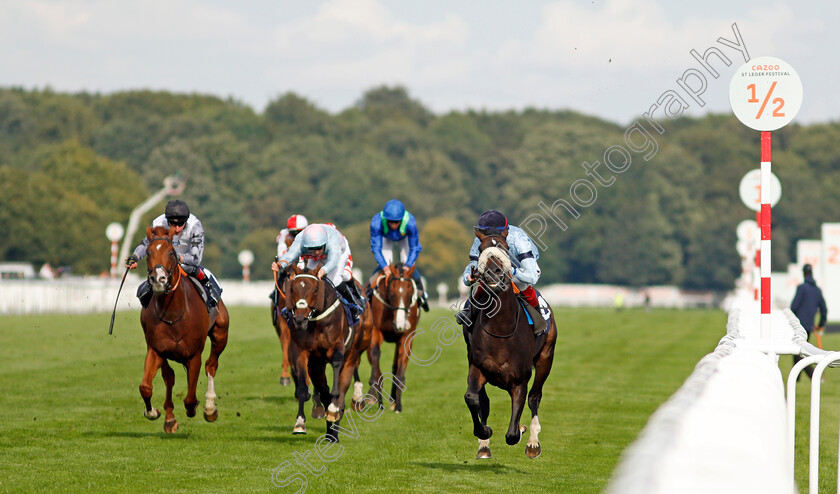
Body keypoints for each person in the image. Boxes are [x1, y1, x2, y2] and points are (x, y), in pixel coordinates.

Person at [456, 209, 548, 335]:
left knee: (521, 284)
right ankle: (469, 311)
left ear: (505, 233)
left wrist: (511, 271)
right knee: (483, 284)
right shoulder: (480, 239)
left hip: (518, 268)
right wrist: (469, 276)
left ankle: (538, 319)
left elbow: (532, 276)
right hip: (491, 270)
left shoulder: (518, 238)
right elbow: (473, 263)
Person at [126, 199, 221, 308]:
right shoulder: (158, 223)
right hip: (164, 265)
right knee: (142, 292)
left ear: (186, 220)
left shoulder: (195, 225)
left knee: (195, 272)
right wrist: (135, 257)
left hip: (187, 264)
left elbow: (195, 258)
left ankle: (209, 296)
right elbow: (146, 244)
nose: (176, 229)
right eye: (173, 224)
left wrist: (177, 258)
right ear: (167, 220)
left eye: (180, 224)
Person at [271, 223, 365, 321]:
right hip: (316, 256)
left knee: (335, 280)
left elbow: (333, 261)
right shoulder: (300, 240)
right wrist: (280, 264)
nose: (316, 252)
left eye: (319, 247)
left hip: (339, 254)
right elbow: (290, 255)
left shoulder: (332, 241)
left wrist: (323, 270)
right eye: (312, 248)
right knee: (307, 280)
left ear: (324, 243)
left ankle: (354, 304)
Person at [369, 199, 429, 311]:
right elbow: (376, 248)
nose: (393, 225)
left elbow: (414, 248)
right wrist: (385, 267)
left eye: (396, 222)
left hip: (404, 237)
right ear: (385, 219)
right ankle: (368, 293)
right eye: (390, 222)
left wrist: (408, 265)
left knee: (408, 265)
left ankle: (422, 294)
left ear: (401, 220)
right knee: (385, 263)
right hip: (385, 237)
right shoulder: (376, 222)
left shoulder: (410, 223)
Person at [791, 263, 827, 380]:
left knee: (799, 354)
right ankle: (797, 380)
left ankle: (815, 377)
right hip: (809, 327)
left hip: (799, 327)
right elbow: (824, 309)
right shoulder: (817, 290)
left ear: (804, 273)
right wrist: (820, 324)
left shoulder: (801, 288)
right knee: (798, 354)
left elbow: (794, 307)